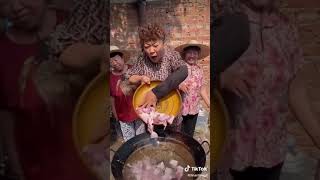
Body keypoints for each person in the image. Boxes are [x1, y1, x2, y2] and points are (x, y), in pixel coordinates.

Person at [218, 0, 305, 179]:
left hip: (272, 151)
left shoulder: (286, 29)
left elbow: (296, 91)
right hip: (230, 151)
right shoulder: (223, 21)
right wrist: (220, 77)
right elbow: (196, 70)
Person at [0, 0, 66, 179]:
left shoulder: (76, 24)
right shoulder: (3, 51)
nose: (15, 7)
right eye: (4, 2)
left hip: (86, 149)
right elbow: (6, 112)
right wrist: (15, 163)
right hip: (37, 161)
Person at [120, 23, 188, 132]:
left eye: (155, 45)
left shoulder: (172, 56)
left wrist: (155, 93)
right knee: (153, 144)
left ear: (163, 43)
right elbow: (128, 77)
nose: (151, 51)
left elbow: (183, 71)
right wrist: (140, 78)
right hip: (150, 117)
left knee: (173, 144)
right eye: (147, 47)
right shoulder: (142, 59)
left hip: (171, 113)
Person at [175, 40, 210, 137]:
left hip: (194, 108)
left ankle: (187, 151)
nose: (192, 55)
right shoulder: (179, 68)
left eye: (194, 53)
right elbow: (171, 83)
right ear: (185, 54)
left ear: (198, 55)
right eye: (189, 53)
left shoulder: (200, 70)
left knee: (189, 135)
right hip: (180, 108)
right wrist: (179, 85)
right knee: (178, 133)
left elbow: (202, 90)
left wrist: (209, 104)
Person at [110, 45, 145, 141]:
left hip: (138, 112)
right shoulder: (109, 78)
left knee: (141, 139)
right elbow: (112, 98)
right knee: (129, 141)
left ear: (122, 58)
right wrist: (115, 114)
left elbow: (142, 89)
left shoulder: (134, 70)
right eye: (111, 61)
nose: (115, 63)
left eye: (117, 59)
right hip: (123, 115)